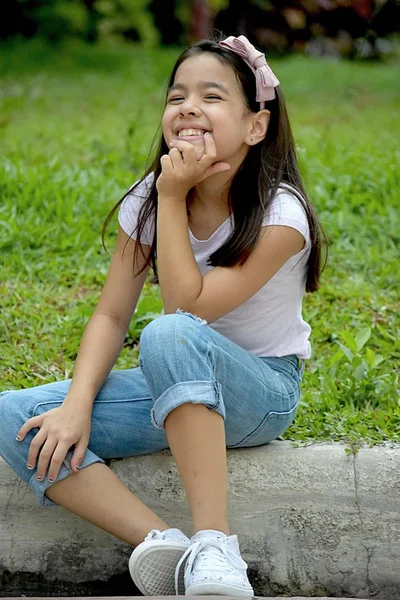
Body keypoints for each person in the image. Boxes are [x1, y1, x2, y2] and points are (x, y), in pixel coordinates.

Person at [0, 35, 327, 597]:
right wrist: (76, 409)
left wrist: (172, 196)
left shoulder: (281, 210)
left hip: (262, 390)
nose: (189, 107)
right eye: (177, 96)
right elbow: (109, 315)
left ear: (256, 126)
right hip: (175, 383)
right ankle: (169, 549)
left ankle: (217, 544)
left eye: (212, 96)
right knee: (15, 416)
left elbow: (185, 306)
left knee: (171, 331)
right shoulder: (148, 199)